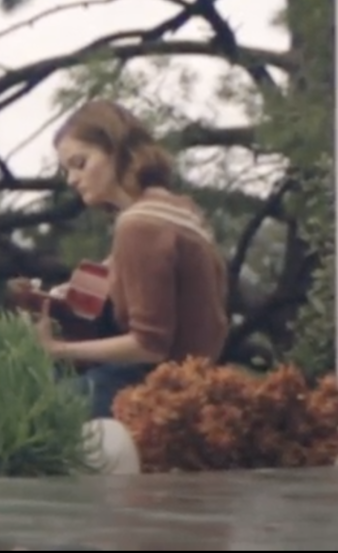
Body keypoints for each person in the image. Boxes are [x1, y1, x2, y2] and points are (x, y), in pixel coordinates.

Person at [34, 99, 230, 420]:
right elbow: (116, 271)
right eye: (66, 169)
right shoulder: (178, 209)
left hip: (156, 389)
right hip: (198, 382)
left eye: (80, 163)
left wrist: (57, 349)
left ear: (117, 151)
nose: (71, 179)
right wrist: (62, 295)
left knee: (33, 414)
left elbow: (149, 344)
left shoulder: (138, 225)